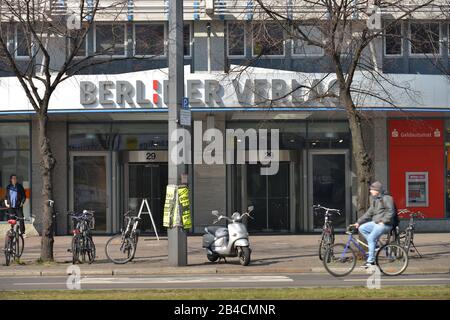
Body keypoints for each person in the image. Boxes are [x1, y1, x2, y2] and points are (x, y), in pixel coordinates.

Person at [352, 181, 394, 268]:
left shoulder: (386, 198)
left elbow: (391, 212)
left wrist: (384, 221)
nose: (370, 191)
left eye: (372, 189)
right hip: (376, 222)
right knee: (362, 228)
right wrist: (359, 222)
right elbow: (369, 213)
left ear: (377, 190)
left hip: (385, 224)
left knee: (371, 238)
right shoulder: (375, 199)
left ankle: (371, 261)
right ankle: (375, 244)